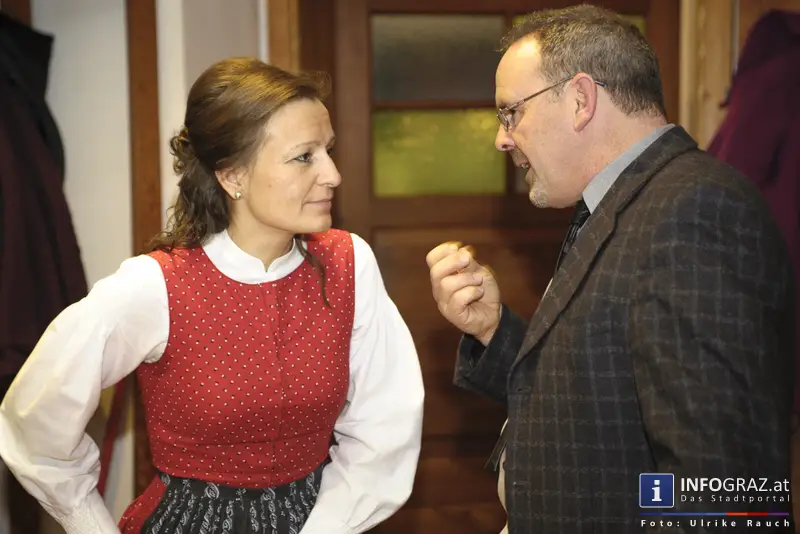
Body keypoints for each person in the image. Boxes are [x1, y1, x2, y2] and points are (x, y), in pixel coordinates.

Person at [0, 57, 424, 534]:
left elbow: (385, 425)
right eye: (304, 157)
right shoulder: (155, 285)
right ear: (232, 176)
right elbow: (34, 422)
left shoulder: (348, 264)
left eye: (328, 150)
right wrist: (89, 524)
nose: (333, 174)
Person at [427, 5, 795, 533]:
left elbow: (725, 493)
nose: (501, 138)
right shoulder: (628, 201)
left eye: (511, 113)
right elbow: (600, 398)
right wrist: (494, 330)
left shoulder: (694, 211)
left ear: (581, 100)